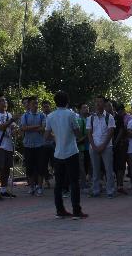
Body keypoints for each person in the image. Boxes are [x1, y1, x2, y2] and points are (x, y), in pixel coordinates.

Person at [44, 91, 88, 220]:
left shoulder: (50, 116)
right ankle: (76, 211)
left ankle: (60, 210)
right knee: (74, 182)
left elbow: (46, 136)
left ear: (55, 102)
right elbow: (78, 134)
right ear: (67, 101)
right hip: (71, 152)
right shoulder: (71, 114)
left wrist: (56, 137)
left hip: (58, 153)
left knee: (58, 184)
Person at [0, 93, 17, 200]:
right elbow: (0, 127)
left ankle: (4, 190)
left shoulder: (9, 115)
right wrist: (12, 120)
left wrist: (16, 130)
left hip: (8, 145)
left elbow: (12, 130)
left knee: (6, 168)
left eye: (4, 100)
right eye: (0, 101)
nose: (3, 103)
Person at [87, 96, 116, 198]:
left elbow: (111, 132)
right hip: (93, 146)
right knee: (95, 170)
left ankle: (110, 191)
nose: (98, 104)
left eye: (100, 102)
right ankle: (96, 190)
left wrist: (103, 145)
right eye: (97, 102)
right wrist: (94, 146)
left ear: (104, 104)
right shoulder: (91, 118)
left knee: (109, 169)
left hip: (107, 146)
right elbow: (89, 133)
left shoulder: (109, 117)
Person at [20, 96, 47, 196]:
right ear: (29, 105)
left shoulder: (42, 115)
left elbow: (43, 128)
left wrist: (29, 128)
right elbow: (23, 128)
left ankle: (39, 187)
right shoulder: (25, 116)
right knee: (29, 167)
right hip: (28, 145)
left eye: (36, 103)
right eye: (33, 103)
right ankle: (31, 187)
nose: (35, 105)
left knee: (41, 167)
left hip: (40, 145)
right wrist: (36, 126)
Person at [111, 101, 129, 195]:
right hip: (108, 145)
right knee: (111, 166)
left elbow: (122, 130)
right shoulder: (105, 117)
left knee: (120, 166)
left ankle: (120, 185)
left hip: (119, 145)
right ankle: (111, 186)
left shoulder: (118, 117)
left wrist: (116, 142)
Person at [41, 100, 55, 188]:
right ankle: (46, 181)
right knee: (44, 163)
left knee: (55, 162)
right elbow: (41, 128)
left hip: (54, 142)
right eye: (44, 107)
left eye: (47, 106)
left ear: (50, 107)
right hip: (43, 143)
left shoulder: (54, 116)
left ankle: (58, 180)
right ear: (42, 108)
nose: (46, 108)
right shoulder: (40, 116)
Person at [76, 104, 90, 191]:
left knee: (87, 166)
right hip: (81, 147)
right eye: (84, 107)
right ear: (79, 110)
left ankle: (87, 183)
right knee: (81, 166)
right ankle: (82, 183)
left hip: (89, 147)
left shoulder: (90, 119)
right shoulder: (77, 120)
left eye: (87, 107)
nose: (87, 109)